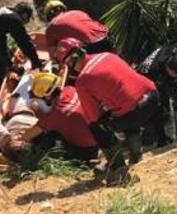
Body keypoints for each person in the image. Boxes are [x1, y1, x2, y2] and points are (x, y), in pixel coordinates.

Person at [53, 38, 159, 185]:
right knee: (122, 106)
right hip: (153, 96)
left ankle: (117, 166)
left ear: (70, 62)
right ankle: (136, 154)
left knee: (96, 126)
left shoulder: (83, 80)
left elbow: (93, 117)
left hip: (135, 113)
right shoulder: (107, 55)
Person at [19, 73, 99, 162]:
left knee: (46, 138)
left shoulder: (55, 115)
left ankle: (31, 159)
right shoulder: (71, 89)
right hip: (100, 140)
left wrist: (18, 138)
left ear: (48, 96)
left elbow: (26, 136)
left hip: (86, 153)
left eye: (39, 98)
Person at [0, 3, 42, 105]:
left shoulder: (4, 12)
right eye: (26, 20)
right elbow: (24, 42)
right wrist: (36, 62)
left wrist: (9, 64)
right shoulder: (14, 20)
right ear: (25, 15)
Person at [137, 46, 177, 146]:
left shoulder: (170, 51)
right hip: (140, 87)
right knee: (158, 110)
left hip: (154, 78)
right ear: (172, 71)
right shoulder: (152, 73)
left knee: (164, 106)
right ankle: (159, 140)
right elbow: (156, 97)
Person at [0, 73, 38, 162]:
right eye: (20, 140)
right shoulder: (35, 142)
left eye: (14, 140)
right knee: (39, 88)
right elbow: (46, 126)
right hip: (37, 112)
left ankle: (25, 73)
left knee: (27, 79)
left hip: (19, 108)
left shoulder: (4, 140)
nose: (17, 136)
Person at [42, 0, 115, 54]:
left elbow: (53, 55)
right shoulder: (78, 12)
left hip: (91, 48)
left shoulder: (51, 27)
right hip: (108, 39)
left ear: (49, 16)